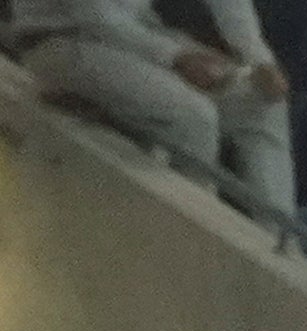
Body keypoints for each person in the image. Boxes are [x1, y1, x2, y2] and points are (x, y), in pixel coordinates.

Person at [15, 0, 291, 208]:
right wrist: (177, 57)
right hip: (61, 40)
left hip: (140, 33)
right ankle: (197, 243)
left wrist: (258, 58)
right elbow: (96, 15)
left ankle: (283, 251)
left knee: (262, 102)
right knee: (194, 117)